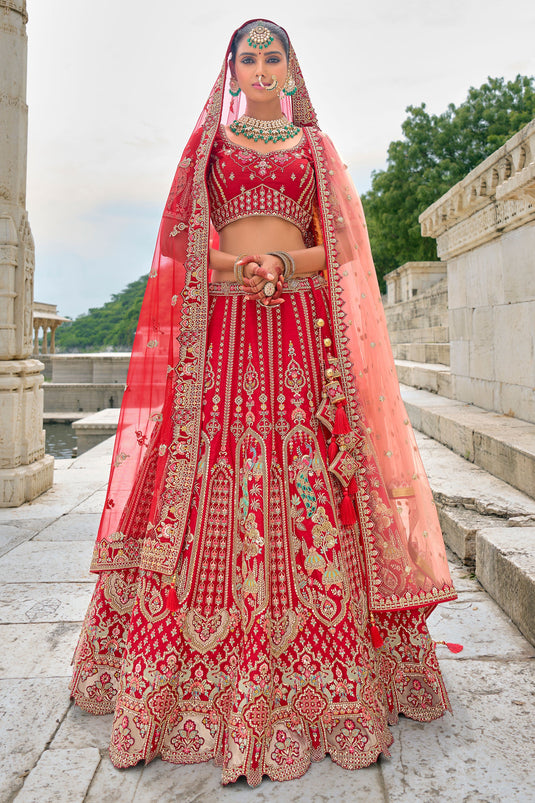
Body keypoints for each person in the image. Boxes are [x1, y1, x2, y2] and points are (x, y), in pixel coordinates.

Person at [71, 19, 459, 787]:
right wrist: (236, 268)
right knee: (201, 479)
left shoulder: (314, 151)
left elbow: (343, 246)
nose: (258, 66)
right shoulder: (208, 150)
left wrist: (281, 262)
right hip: (221, 335)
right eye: (246, 56)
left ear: (290, 69)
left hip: (294, 334)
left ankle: (336, 684)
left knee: (310, 481)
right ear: (231, 69)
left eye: (270, 55)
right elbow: (180, 243)